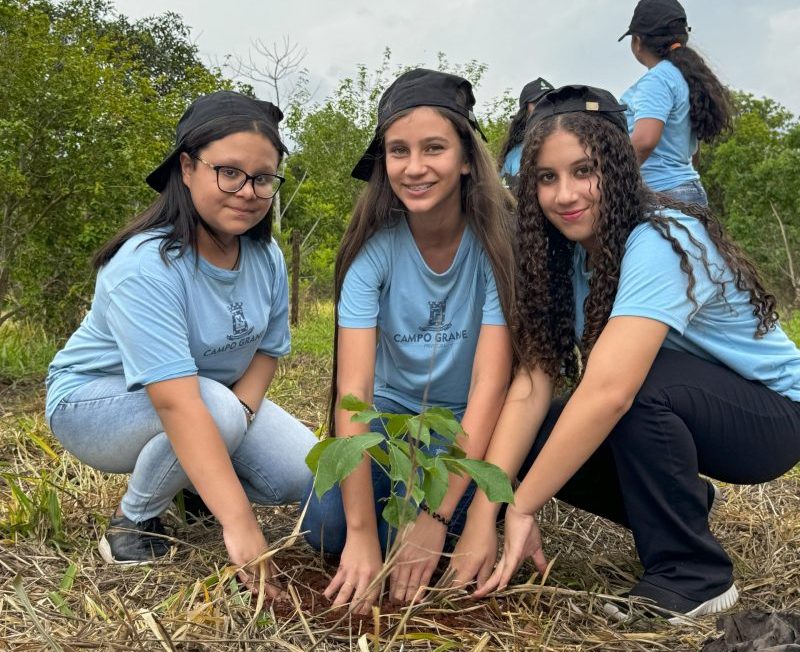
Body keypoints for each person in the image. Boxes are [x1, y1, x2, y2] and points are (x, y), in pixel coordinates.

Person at [457, 85, 800, 622]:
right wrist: (487, 509)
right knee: (543, 425)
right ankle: (683, 505)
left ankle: (694, 576)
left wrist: (524, 505)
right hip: (692, 407)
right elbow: (530, 387)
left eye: (583, 171)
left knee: (625, 388)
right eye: (546, 178)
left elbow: (612, 391)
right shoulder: (567, 259)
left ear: (617, 167)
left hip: (772, 417)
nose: (564, 194)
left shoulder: (662, 237)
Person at [45, 91, 317, 596]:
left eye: (262, 178)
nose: (248, 191)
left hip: (211, 400)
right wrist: (239, 523)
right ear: (187, 167)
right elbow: (177, 402)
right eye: (229, 172)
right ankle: (134, 520)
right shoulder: (146, 266)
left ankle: (190, 481)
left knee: (302, 473)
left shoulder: (267, 256)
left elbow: (268, 349)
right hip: (93, 403)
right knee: (213, 410)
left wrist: (242, 417)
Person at [301, 68, 516, 614]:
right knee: (324, 531)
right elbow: (353, 392)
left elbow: (490, 387)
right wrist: (360, 533)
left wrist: (436, 518)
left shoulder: (496, 251)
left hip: (461, 428)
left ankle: (450, 509)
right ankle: (386, 518)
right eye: (398, 151)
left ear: (467, 158)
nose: (414, 167)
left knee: (448, 533)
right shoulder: (373, 254)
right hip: (391, 426)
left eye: (434, 148)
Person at [619, 0, 732, 205]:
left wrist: (614, 180)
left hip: (661, 194)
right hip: (688, 188)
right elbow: (694, 151)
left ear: (637, 41)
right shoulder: (685, 76)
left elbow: (645, 140)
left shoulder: (656, 80)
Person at [498, 77, 554, 190]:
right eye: (538, 103)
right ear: (525, 110)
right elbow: (508, 202)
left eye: (550, 102)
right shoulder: (514, 157)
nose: (545, 108)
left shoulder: (574, 144)